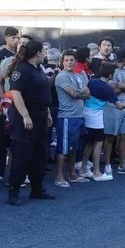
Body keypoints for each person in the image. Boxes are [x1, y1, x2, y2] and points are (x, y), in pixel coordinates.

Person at [4, 39, 56, 205]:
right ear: (38, 53)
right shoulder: (21, 69)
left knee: (39, 154)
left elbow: (42, 92)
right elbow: (16, 93)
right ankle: (14, 190)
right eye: (44, 51)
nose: (45, 54)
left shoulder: (38, 69)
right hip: (25, 118)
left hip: (40, 115)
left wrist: (47, 112)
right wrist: (26, 116)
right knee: (22, 154)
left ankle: (37, 188)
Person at [54, 50, 90, 186]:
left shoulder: (79, 76)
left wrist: (78, 92)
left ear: (76, 61)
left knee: (74, 148)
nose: (69, 62)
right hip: (66, 117)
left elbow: (88, 93)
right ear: (62, 62)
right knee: (63, 149)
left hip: (78, 116)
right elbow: (73, 94)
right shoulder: (61, 77)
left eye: (71, 60)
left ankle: (72, 174)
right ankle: (59, 177)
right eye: (66, 60)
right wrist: (80, 92)